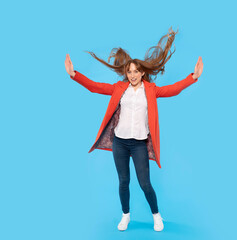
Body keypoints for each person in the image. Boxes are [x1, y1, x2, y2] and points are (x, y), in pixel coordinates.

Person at [64, 27, 203, 232]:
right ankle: (125, 215)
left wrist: (193, 77)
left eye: (136, 71)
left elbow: (173, 89)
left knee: (145, 183)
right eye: (129, 72)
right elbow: (95, 86)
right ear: (126, 73)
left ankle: (157, 216)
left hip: (138, 143)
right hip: (120, 142)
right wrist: (74, 74)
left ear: (142, 72)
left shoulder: (151, 90)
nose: (132, 75)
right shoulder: (119, 89)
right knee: (123, 182)